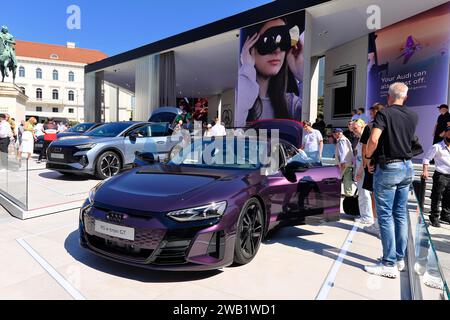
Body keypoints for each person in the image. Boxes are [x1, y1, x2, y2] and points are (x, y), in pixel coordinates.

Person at [364, 82, 418, 278]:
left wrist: (369, 158)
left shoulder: (384, 113)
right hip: (407, 167)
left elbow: (374, 139)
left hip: (389, 167)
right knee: (400, 214)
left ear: (389, 97)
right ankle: (399, 258)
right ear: (405, 97)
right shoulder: (413, 115)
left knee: (385, 215)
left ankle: (388, 264)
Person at [236, 17, 304, 127]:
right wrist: (247, 68)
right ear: (248, 48)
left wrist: (301, 75)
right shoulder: (238, 98)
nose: (277, 51)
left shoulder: (291, 104)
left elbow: (309, 127)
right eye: (268, 41)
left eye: (284, 41)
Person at [360, 103, 385, 236]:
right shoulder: (390, 125)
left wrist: (367, 162)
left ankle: (377, 224)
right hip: (389, 164)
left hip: (374, 164)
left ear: (376, 112)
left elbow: (365, 147)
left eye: (371, 112)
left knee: (375, 195)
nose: (370, 114)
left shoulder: (370, 126)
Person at [422, 126, 450, 228]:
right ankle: (434, 217)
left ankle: (445, 215)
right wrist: (425, 171)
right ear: (445, 133)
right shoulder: (437, 146)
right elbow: (426, 159)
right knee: (436, 197)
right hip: (440, 175)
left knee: (448, 197)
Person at [352, 119, 374, 225]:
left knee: (364, 193)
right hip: (361, 167)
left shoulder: (365, 138)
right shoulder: (360, 138)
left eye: (355, 128)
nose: (353, 130)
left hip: (363, 168)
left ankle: (367, 216)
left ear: (362, 127)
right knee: (363, 193)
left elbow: (364, 156)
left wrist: (360, 170)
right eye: (353, 128)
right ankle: (365, 215)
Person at [333, 128, 353, 197]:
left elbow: (343, 152)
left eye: (334, 134)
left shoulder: (342, 140)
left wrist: (342, 162)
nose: (333, 136)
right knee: (347, 179)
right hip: (348, 162)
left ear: (337, 133)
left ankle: (336, 193)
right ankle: (348, 194)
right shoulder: (345, 139)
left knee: (337, 178)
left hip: (343, 163)